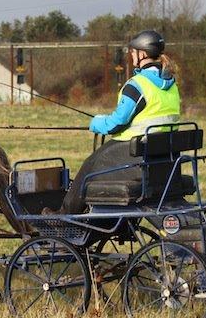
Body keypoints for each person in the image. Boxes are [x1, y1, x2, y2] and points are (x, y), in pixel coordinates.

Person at [58, 30, 181, 214]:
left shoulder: (137, 85)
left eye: (132, 52)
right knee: (96, 160)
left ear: (142, 54)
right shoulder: (171, 85)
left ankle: (65, 214)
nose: (131, 56)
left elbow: (116, 123)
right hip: (164, 159)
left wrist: (96, 123)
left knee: (90, 165)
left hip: (137, 156)